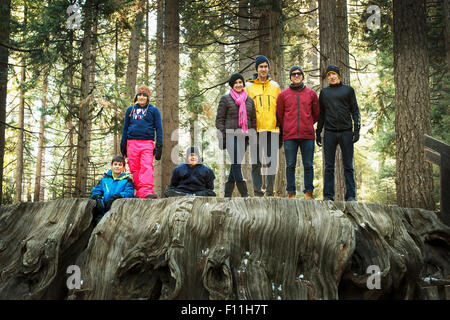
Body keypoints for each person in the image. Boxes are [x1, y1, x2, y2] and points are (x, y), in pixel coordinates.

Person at [316, 65, 361, 201]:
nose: (331, 77)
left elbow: (355, 110)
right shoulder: (324, 92)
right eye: (329, 75)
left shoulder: (348, 90)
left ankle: (351, 196)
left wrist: (357, 129)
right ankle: (328, 196)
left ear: (339, 75)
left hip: (346, 132)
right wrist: (318, 132)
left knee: (348, 165)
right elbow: (321, 114)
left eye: (333, 74)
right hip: (329, 132)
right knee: (329, 166)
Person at [276, 65, 319, 199]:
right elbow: (280, 114)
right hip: (290, 135)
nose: (296, 76)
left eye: (299, 74)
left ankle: (308, 193)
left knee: (308, 165)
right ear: (290, 77)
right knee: (290, 165)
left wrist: (306, 123)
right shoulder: (283, 95)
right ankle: (291, 193)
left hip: (307, 135)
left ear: (302, 76)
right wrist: (288, 126)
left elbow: (316, 114)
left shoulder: (311, 93)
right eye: (293, 74)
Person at [215, 73, 257, 197]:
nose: (238, 85)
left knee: (235, 163)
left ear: (243, 84)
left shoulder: (249, 101)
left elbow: (253, 120)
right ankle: (244, 193)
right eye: (236, 83)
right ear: (232, 85)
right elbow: (219, 120)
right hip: (230, 135)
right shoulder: (225, 99)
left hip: (244, 137)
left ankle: (227, 194)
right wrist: (223, 134)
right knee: (236, 162)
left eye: (240, 82)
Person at [246, 55, 281, 197]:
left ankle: (270, 192)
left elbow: (280, 108)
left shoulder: (275, 86)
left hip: (272, 129)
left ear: (268, 68)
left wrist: (280, 128)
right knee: (256, 162)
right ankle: (257, 191)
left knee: (271, 163)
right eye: (261, 66)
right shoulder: (249, 87)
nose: (263, 69)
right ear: (257, 68)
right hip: (255, 130)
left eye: (265, 66)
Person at [120, 85, 163, 199]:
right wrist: (123, 143)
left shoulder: (153, 110)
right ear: (136, 97)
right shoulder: (130, 110)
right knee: (135, 168)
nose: (142, 97)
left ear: (148, 97)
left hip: (147, 143)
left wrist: (159, 145)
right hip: (131, 143)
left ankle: (147, 191)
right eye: (140, 95)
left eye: (144, 95)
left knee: (146, 167)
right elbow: (125, 128)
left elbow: (159, 128)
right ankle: (139, 192)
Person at [91, 155, 135, 225]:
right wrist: (98, 199)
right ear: (111, 166)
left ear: (123, 167)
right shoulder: (104, 179)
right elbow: (96, 190)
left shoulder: (127, 180)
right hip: (103, 211)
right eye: (115, 164)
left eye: (120, 165)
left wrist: (116, 197)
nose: (117, 166)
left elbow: (129, 193)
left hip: (119, 211)